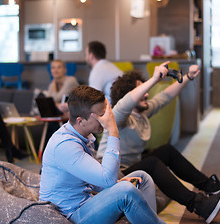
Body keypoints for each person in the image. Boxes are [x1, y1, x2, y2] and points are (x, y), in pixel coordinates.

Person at [97, 63, 220, 223]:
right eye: (142, 91)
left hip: (130, 170)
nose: (147, 94)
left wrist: (188, 77)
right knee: (152, 163)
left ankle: (210, 187)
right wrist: (153, 79)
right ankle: (199, 205)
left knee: (166, 151)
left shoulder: (141, 114)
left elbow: (165, 97)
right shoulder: (118, 118)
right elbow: (125, 103)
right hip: (112, 176)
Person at [39, 85, 165, 224]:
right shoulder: (65, 145)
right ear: (81, 121)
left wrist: (118, 183)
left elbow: (95, 181)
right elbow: (107, 179)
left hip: (85, 204)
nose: (106, 119)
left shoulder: (82, 135)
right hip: (71, 215)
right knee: (126, 191)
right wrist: (113, 130)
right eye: (101, 115)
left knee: (142, 177)